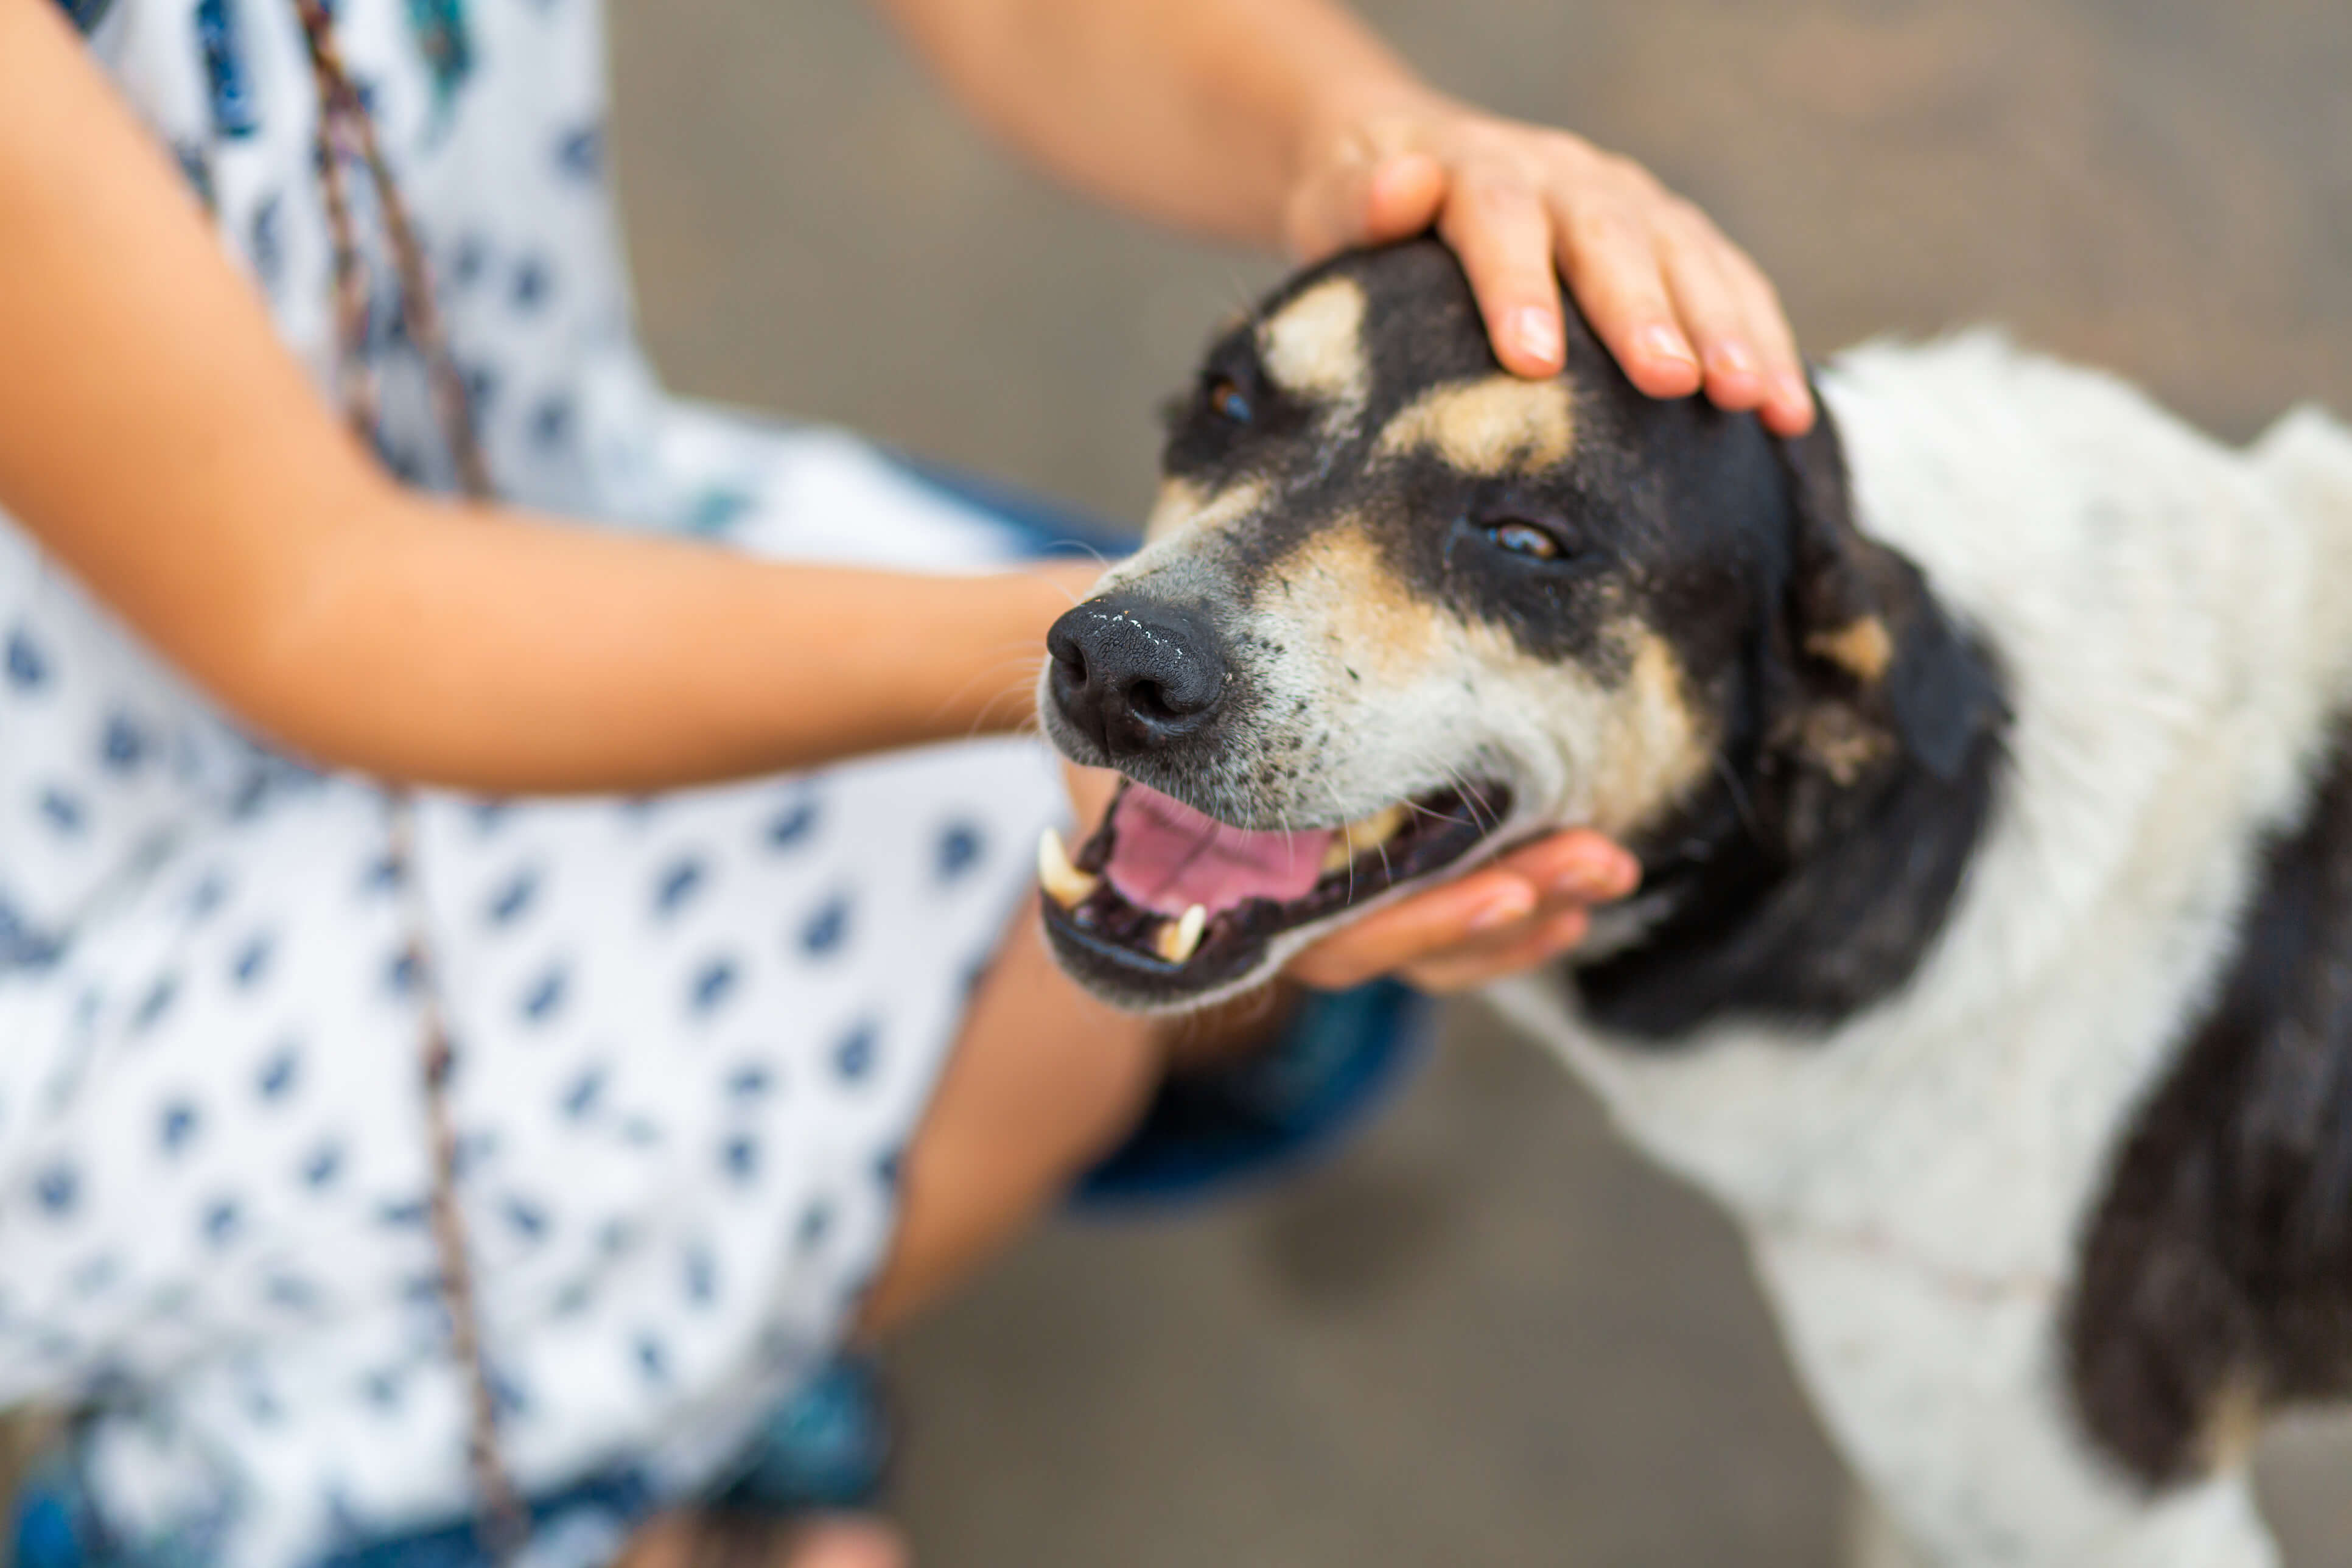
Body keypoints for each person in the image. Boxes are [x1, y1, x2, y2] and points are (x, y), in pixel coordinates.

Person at [0, 0, 1813, 1564]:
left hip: (539, 508)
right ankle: (267, 1499)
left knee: (1193, 873)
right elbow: (324, 607)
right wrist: (1128, 655)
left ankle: (677, 1308)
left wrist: (1386, 145)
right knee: (1065, 957)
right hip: (95, 863)